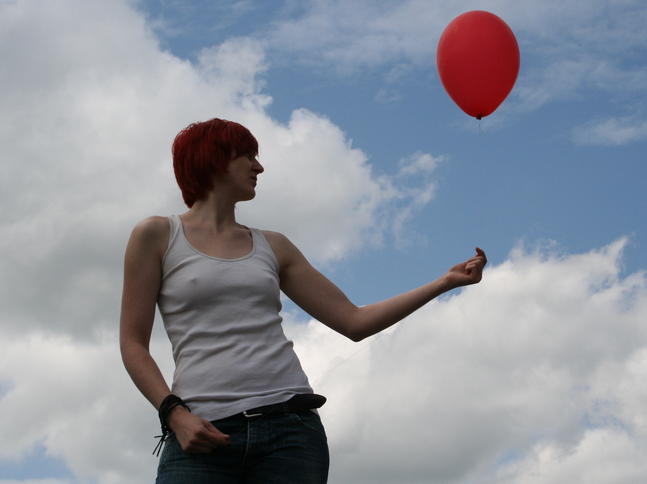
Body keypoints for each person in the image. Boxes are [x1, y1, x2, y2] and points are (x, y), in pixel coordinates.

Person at [119, 118, 487, 483]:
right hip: (201, 433)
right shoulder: (156, 235)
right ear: (212, 159)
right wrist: (174, 415)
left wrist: (444, 282)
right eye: (247, 155)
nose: (259, 166)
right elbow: (133, 343)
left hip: (291, 435)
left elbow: (353, 321)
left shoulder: (273, 245)